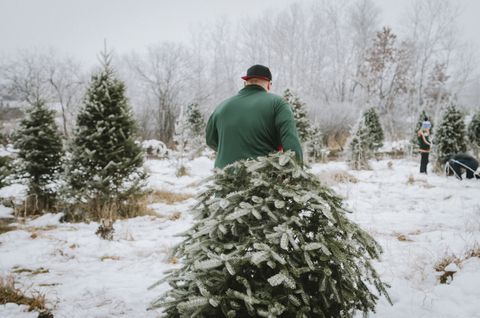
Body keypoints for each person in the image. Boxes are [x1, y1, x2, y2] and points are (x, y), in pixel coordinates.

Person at [206, 64, 303, 168]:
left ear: (245, 84)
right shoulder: (278, 103)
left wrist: (232, 150)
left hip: (224, 178)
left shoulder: (222, 106)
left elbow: (211, 140)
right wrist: (296, 176)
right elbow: (290, 142)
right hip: (262, 178)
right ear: (269, 84)